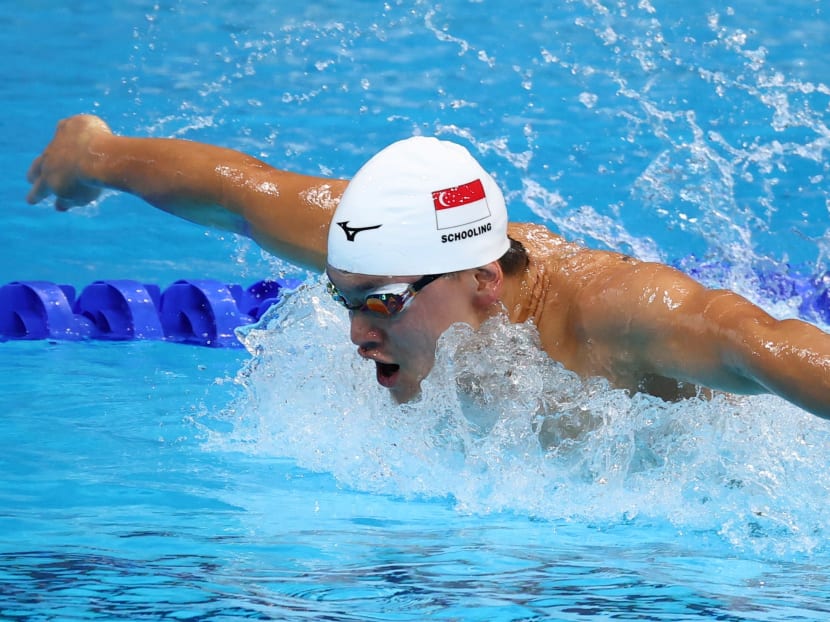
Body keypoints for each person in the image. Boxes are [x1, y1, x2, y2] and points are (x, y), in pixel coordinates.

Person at [26, 115, 830, 418]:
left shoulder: (616, 317)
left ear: (484, 281)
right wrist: (93, 155)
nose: (353, 333)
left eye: (376, 305)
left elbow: (754, 341)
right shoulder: (381, 245)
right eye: (343, 300)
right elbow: (240, 193)